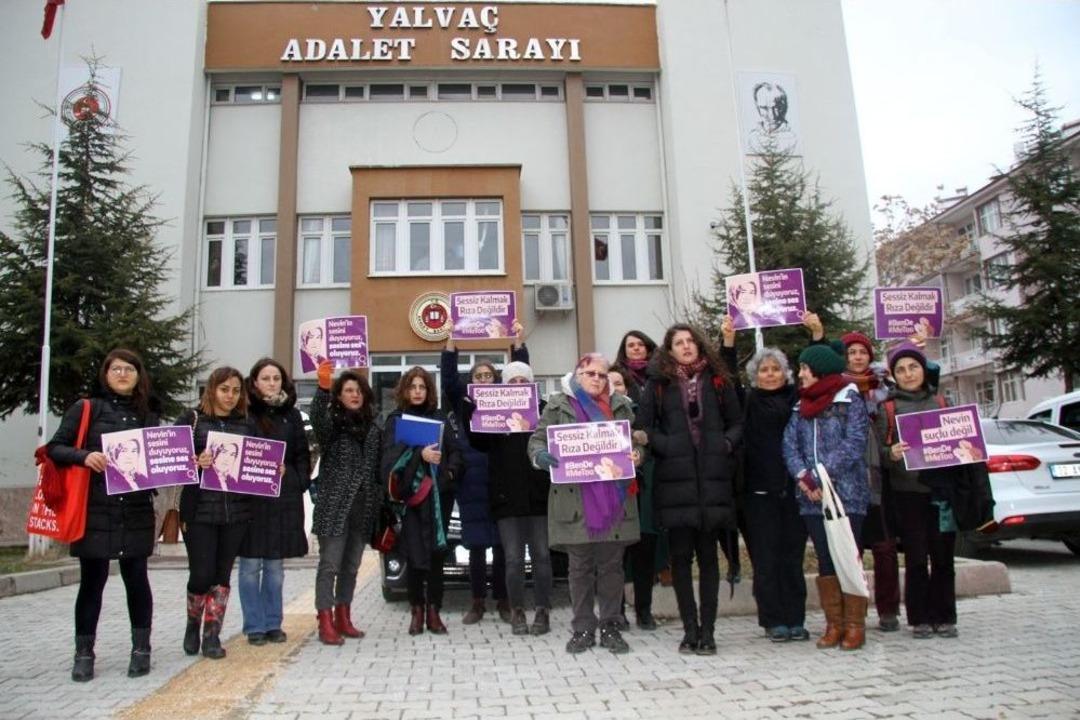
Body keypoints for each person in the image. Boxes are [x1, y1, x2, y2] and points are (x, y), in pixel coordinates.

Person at [47, 349, 159, 681]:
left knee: (137, 580)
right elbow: (54, 448)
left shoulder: (148, 413)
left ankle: (141, 649)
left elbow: (163, 459)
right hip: (95, 509)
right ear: (105, 374)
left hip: (136, 509)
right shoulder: (86, 408)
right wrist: (84, 456)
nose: (123, 374)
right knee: (92, 583)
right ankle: (84, 653)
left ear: (139, 375)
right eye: (116, 369)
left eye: (129, 369)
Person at [636, 324, 743, 655]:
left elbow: (738, 422)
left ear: (699, 346)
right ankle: (690, 630)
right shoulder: (658, 383)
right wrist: (667, 445)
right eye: (678, 343)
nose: (685, 347)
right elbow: (643, 427)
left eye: (690, 342)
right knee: (681, 560)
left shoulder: (717, 379)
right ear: (669, 350)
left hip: (711, 481)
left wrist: (723, 445)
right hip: (675, 481)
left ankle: (708, 632)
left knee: (709, 560)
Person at [529, 353, 644, 655]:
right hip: (575, 499)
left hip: (614, 498)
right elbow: (537, 441)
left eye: (602, 375)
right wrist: (540, 457)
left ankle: (610, 625)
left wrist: (636, 456)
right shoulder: (558, 405)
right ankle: (582, 627)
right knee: (579, 568)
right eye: (590, 373)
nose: (596, 379)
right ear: (578, 375)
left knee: (611, 568)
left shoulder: (621, 406)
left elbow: (634, 445)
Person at [720, 316, 809, 642]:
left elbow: (818, 375)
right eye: (764, 370)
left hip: (795, 491)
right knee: (766, 559)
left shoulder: (798, 400)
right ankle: (773, 620)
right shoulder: (747, 402)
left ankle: (796, 618)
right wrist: (728, 343)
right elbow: (727, 381)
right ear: (754, 375)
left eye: (775, 369)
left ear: (785, 373)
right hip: (758, 494)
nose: (770, 374)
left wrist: (815, 336)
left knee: (792, 558)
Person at [782, 344, 871, 651]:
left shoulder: (849, 400)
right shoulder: (800, 406)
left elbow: (854, 443)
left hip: (846, 494)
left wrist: (820, 474)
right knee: (825, 559)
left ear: (818, 370)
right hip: (812, 497)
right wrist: (802, 477)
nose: (800, 374)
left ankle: (855, 625)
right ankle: (834, 624)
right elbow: (789, 445)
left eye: (804, 368)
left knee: (848, 556)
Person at [440, 322, 528, 625]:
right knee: (476, 546)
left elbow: (523, 377)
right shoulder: (464, 400)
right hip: (472, 481)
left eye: (489, 376)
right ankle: (477, 602)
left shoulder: (508, 398)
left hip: (502, 477)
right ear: (471, 381)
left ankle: (504, 600)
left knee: (504, 546)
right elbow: (449, 379)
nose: (484, 380)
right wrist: (451, 342)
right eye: (478, 376)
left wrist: (517, 342)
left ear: (497, 380)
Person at [877, 342, 959, 639]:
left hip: (941, 492)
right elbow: (878, 451)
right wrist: (892, 453)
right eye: (900, 369)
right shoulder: (887, 407)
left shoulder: (942, 402)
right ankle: (920, 618)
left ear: (924, 370)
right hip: (907, 492)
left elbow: (963, 443)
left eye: (913, 367)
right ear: (893, 376)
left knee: (943, 556)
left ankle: (945, 616)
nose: (908, 374)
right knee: (915, 558)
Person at [470, 361, 554, 636]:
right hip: (506, 499)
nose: (518, 385)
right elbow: (476, 439)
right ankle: (517, 610)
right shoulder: (492, 414)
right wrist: (472, 407)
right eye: (512, 382)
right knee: (514, 558)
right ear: (503, 386)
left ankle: (543, 610)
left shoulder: (543, 410)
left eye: (523, 381)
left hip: (538, 496)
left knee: (542, 555)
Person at [179, 366, 256, 660]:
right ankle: (192, 623)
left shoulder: (246, 424)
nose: (230, 396)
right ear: (212, 390)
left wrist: (273, 469)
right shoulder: (192, 420)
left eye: (236, 391)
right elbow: (171, 460)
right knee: (201, 574)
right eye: (225, 390)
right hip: (199, 511)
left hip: (236, 512)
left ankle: (212, 635)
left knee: (222, 575)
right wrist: (195, 461)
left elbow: (256, 461)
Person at [383, 367, 464, 635]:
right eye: (413, 387)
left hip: (439, 499)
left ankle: (434, 612)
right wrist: (420, 455)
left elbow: (456, 453)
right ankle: (417, 610)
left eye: (422, 387)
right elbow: (389, 462)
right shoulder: (396, 420)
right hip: (412, 503)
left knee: (437, 557)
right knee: (416, 558)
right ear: (404, 390)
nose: (418, 391)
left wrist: (449, 472)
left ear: (429, 391)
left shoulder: (439, 419)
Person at [237, 358, 311, 646]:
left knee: (275, 570)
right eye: (265, 378)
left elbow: (303, 457)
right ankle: (254, 626)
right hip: (250, 502)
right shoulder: (242, 413)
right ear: (254, 382)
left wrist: (289, 475)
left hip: (281, 500)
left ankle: (273, 624)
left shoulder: (292, 416)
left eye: (276, 378)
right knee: (249, 568)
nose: (271, 383)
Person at [310, 363, 382, 645]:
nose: (354, 395)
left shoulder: (373, 427)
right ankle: (325, 620)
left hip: (363, 507)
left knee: (351, 566)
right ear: (339, 396)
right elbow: (317, 416)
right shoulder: (332, 426)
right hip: (335, 506)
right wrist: (322, 387)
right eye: (348, 390)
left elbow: (376, 467)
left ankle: (344, 616)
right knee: (330, 564)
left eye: (358, 390)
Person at [607, 365, 660, 631]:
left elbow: (649, 444)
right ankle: (616, 611)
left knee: (643, 556)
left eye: (619, 384)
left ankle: (644, 611)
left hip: (640, 494)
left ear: (627, 388)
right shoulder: (597, 418)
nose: (614, 388)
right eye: (610, 383)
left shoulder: (640, 414)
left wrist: (641, 452)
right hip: (610, 498)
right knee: (615, 559)